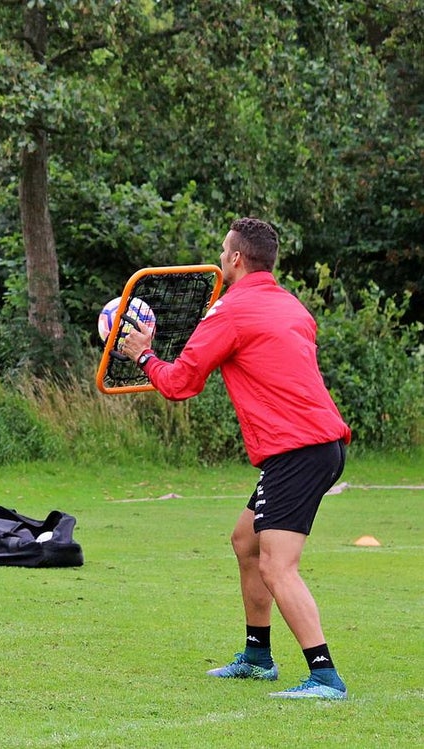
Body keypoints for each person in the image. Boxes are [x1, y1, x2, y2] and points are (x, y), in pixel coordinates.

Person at [119, 217, 351, 700]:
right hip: (316, 446)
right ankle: (257, 657)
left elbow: (181, 384)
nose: (221, 256)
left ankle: (326, 676)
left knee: (277, 565)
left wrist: (144, 354)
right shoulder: (292, 306)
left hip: (299, 451)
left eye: (225, 250)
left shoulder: (229, 310)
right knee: (245, 541)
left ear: (237, 258)